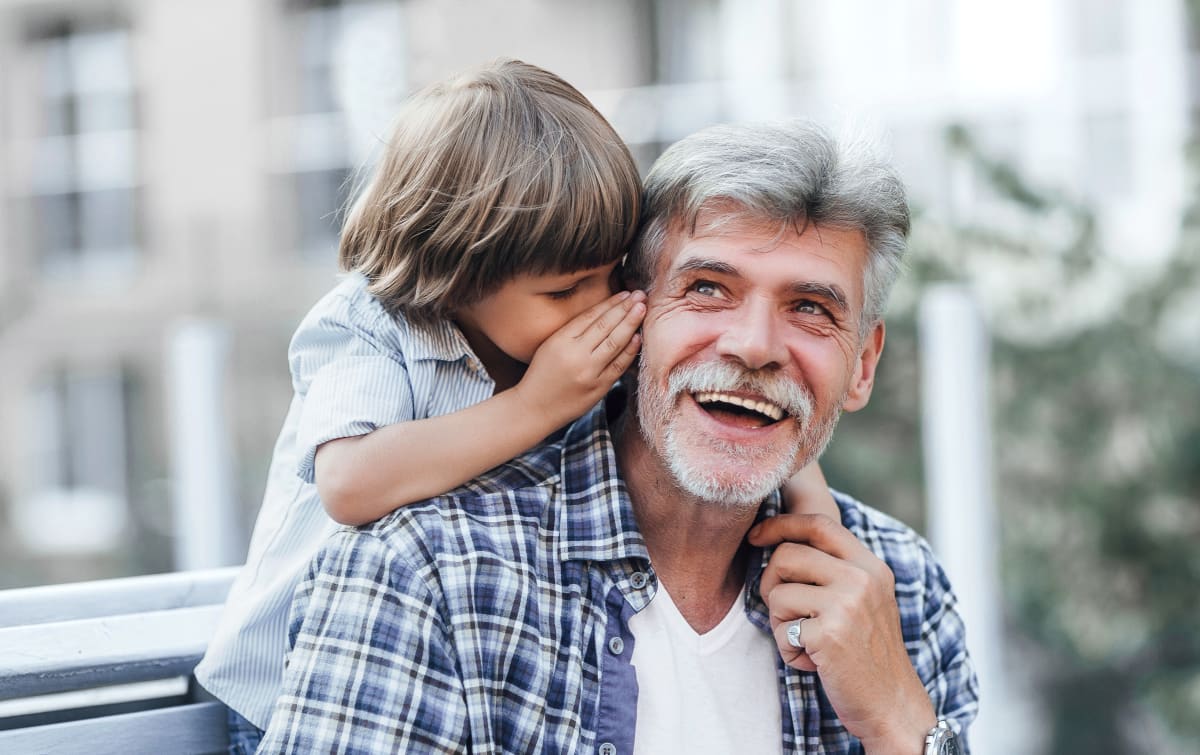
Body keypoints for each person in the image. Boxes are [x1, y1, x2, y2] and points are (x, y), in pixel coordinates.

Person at [257, 119, 979, 754]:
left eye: (811, 307)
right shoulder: (426, 570)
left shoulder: (901, 590)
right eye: (707, 288)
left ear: (863, 363)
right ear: (626, 318)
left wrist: (900, 724)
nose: (755, 345)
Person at [199, 58, 846, 749]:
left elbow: (730, 398)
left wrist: (810, 501)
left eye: (613, 275)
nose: (599, 307)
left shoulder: (563, 328)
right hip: (299, 681)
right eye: (566, 290)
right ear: (455, 274)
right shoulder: (372, 326)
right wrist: (537, 404)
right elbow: (350, 484)